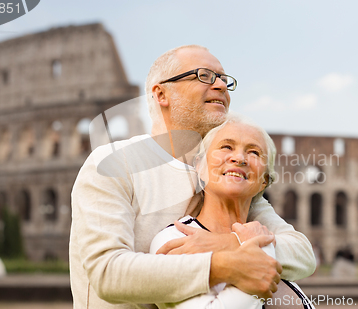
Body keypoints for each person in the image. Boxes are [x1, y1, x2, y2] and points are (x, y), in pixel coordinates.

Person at [69, 45, 316, 309]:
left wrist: (228, 243)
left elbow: (301, 253)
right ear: (161, 94)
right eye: (204, 76)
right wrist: (225, 265)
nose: (221, 85)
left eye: (224, 78)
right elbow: (107, 273)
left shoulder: (222, 176)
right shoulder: (114, 162)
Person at [150, 114, 313, 309]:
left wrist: (238, 243)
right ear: (200, 167)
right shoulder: (175, 238)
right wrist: (260, 249)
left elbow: (305, 257)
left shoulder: (264, 234)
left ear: (265, 180)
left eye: (254, 152)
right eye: (226, 146)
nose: (239, 158)